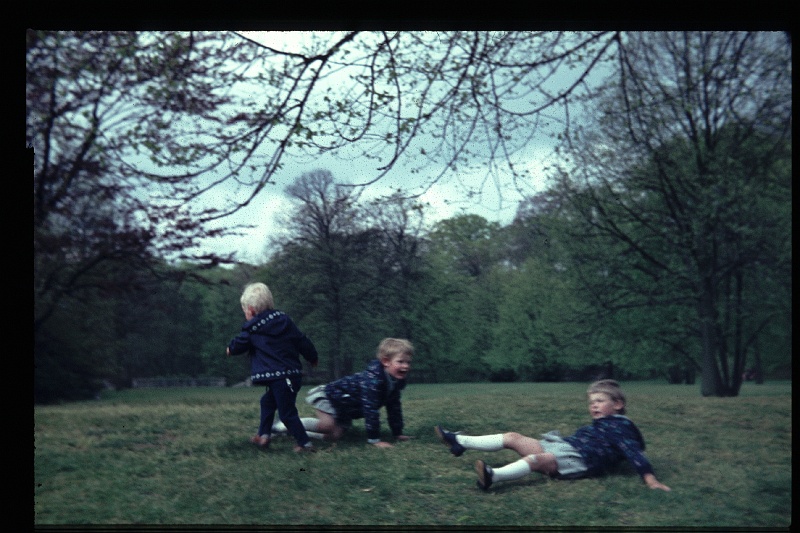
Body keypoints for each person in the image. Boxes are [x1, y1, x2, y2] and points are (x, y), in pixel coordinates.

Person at [435, 379, 671, 492]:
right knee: (513, 437)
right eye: (591, 402)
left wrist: (650, 479)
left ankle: (493, 477)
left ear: (618, 404)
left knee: (537, 461)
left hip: (580, 460)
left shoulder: (622, 427)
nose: (594, 406)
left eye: (600, 401)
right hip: (564, 446)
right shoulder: (604, 423)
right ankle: (460, 442)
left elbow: (633, 452)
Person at [226, 282, 319, 453]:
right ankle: (264, 436)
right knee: (267, 402)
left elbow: (239, 344)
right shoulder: (285, 321)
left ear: (251, 311)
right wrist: (312, 357)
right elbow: (302, 341)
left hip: (280, 378)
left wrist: (230, 349)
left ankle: (304, 444)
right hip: (291, 376)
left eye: (244, 311)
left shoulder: (252, 329)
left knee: (286, 413)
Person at [272, 338, 414, 448]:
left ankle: (291, 431)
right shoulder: (373, 380)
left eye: (408, 362)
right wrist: (374, 440)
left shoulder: (396, 382)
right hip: (330, 397)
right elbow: (370, 410)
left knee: (334, 435)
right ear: (385, 361)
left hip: (345, 408)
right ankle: (282, 424)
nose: (406, 366)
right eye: (401, 362)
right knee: (327, 425)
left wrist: (397, 433)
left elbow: (394, 407)